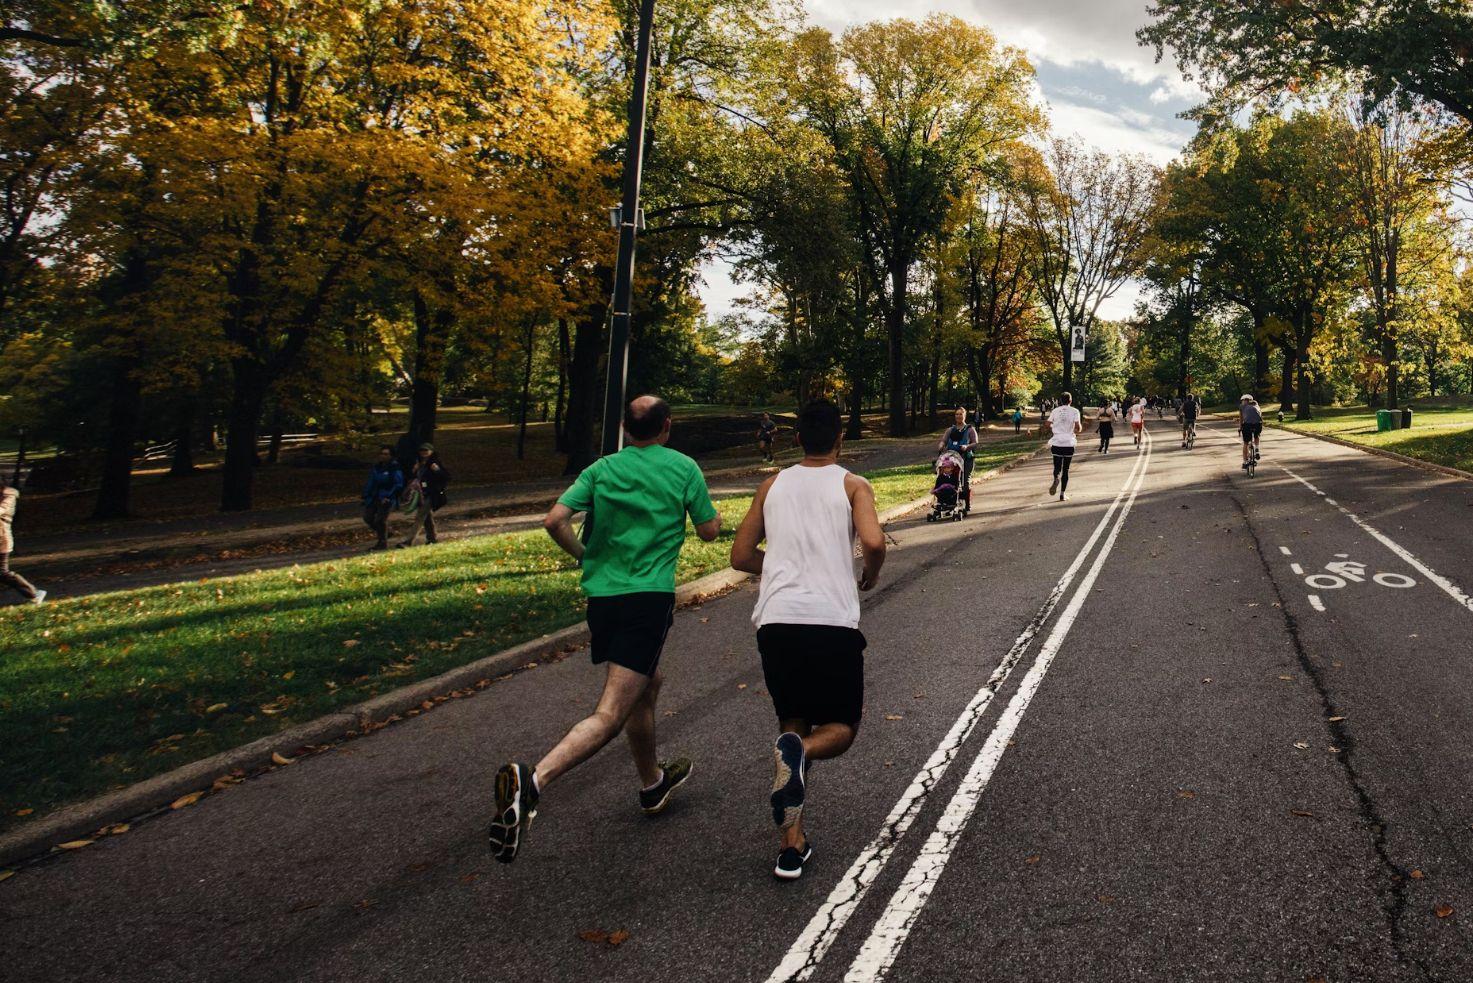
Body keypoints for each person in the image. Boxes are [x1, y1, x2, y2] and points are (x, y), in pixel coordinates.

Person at [489, 395, 721, 864]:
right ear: (667, 427)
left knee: (647, 684)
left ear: (624, 427)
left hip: (603, 599)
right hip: (646, 600)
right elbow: (710, 532)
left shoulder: (601, 469)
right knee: (611, 712)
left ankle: (652, 784)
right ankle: (533, 783)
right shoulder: (682, 467)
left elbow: (554, 519)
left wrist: (584, 555)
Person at [730, 400, 885, 880]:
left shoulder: (771, 485)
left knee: (791, 723)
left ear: (796, 439)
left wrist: (779, 569)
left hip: (776, 622)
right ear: (840, 439)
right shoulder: (852, 485)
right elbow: (875, 543)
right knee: (840, 727)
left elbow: (740, 555)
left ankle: (791, 845)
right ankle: (804, 757)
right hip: (831, 622)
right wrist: (869, 574)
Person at [0, 474, 44, 605]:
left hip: (2, 540)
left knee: (2, 572)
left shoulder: (9, 495)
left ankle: (34, 593)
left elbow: (2, 509)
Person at [398, 443, 450, 548]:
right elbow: (413, 478)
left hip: (432, 494)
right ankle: (432, 538)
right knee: (426, 517)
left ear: (431, 451)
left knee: (420, 516)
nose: (423, 452)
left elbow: (447, 477)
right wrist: (413, 471)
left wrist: (438, 471)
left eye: (426, 450)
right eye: (422, 450)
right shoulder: (419, 463)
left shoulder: (435, 463)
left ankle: (409, 541)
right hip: (421, 493)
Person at [361, 446, 404, 550]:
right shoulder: (377, 467)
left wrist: (389, 496)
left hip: (387, 497)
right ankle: (386, 533)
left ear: (391, 456)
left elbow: (398, 484)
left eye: (386, 454)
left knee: (380, 520)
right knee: (368, 517)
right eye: (382, 454)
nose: (383, 456)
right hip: (375, 496)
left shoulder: (395, 468)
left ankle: (382, 542)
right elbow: (371, 481)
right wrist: (366, 494)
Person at [937, 407, 979, 514]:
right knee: (951, 481)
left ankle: (967, 504)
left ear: (964, 415)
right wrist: (941, 445)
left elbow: (975, 443)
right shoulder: (950, 430)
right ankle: (949, 502)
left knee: (965, 483)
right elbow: (944, 441)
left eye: (961, 414)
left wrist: (967, 446)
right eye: (957, 414)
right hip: (952, 460)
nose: (958, 416)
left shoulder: (970, 429)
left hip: (966, 459)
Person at [1048, 393, 1083, 502]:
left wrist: (1053, 427)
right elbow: (1078, 427)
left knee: (1057, 466)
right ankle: (1062, 495)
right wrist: (1078, 429)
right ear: (1070, 401)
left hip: (1057, 442)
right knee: (1066, 469)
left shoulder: (1055, 411)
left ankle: (1056, 478)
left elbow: (1047, 423)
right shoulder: (1075, 411)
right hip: (1068, 442)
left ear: (1060, 401)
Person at [1239, 394, 1264, 468]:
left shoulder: (1242, 406)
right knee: (1257, 435)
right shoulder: (1256, 405)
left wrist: (1240, 428)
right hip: (1258, 425)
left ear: (1244, 400)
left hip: (1248, 425)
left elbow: (1241, 419)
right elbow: (1261, 416)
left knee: (1246, 443)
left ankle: (1244, 462)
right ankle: (1257, 449)